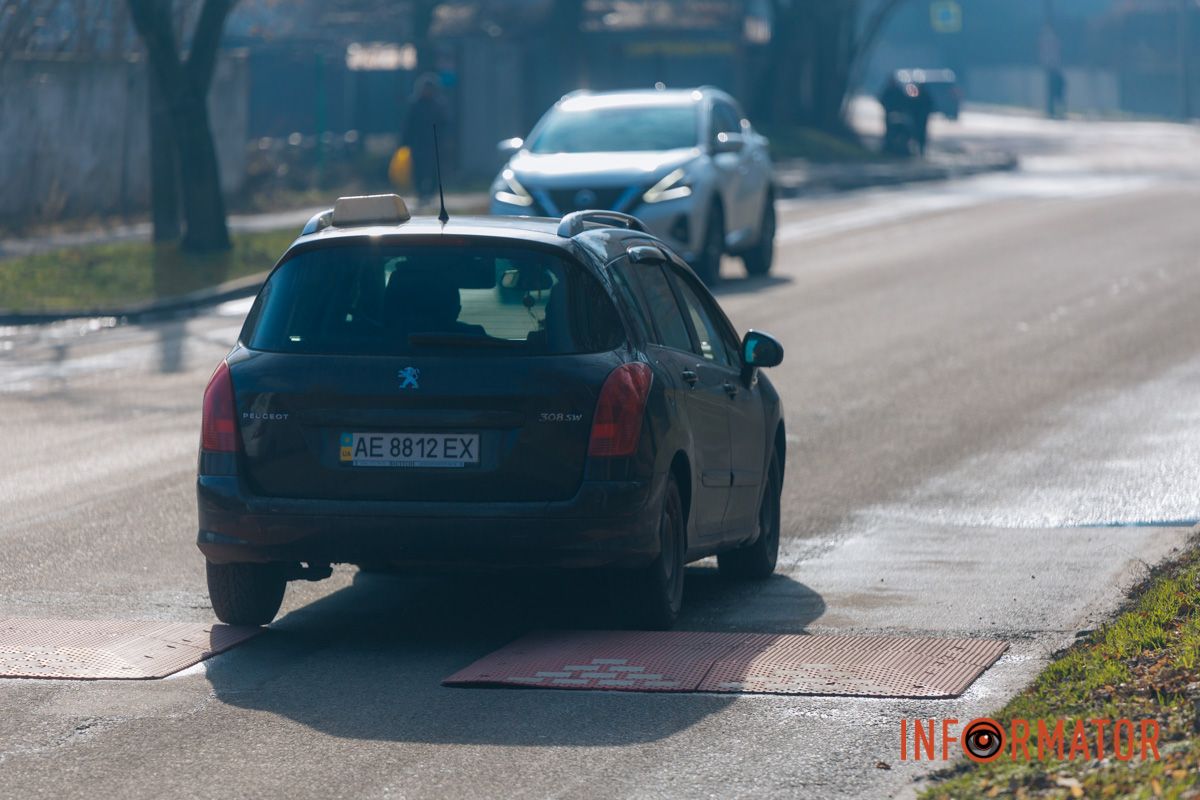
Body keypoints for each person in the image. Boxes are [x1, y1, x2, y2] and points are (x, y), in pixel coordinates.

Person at [401, 74, 448, 208]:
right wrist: (404, 142)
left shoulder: (438, 105)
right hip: (418, 143)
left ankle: (431, 193)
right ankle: (420, 193)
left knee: (434, 170)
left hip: (434, 143)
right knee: (418, 169)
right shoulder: (414, 105)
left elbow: (444, 124)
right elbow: (408, 125)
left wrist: (444, 140)